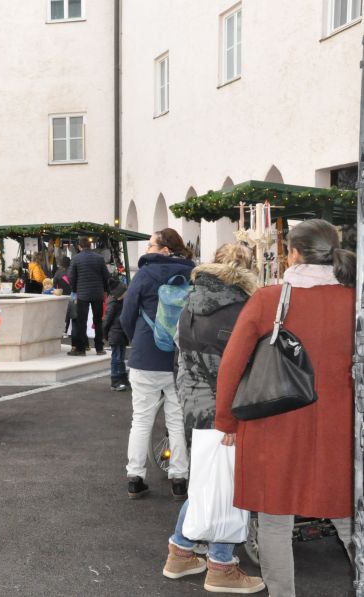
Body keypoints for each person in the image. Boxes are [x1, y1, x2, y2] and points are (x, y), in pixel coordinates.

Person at [215, 220, 356, 596]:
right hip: (339, 427)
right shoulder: (354, 301)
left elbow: (232, 364)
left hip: (273, 422)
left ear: (293, 254)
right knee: (348, 517)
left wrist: (226, 421)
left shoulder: (269, 299)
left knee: (275, 520)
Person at [162, 243, 264, 594]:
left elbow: (181, 355)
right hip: (225, 409)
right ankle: (221, 565)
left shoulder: (192, 300)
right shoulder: (241, 308)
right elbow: (238, 368)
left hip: (194, 403)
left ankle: (181, 552)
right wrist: (232, 417)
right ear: (246, 270)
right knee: (227, 486)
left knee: (209, 481)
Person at [120, 228, 194, 500]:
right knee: (177, 420)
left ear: (165, 249)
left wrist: (138, 339)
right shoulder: (192, 274)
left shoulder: (145, 274)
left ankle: (135, 477)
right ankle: (179, 478)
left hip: (145, 356)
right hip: (178, 358)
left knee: (141, 419)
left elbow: (127, 315)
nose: (147, 249)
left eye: (151, 245)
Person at [67, 239, 109, 356]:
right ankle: (99, 348)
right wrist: (105, 290)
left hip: (82, 294)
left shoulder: (76, 259)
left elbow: (71, 277)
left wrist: (74, 290)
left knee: (82, 321)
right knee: (98, 321)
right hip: (97, 294)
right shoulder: (99, 258)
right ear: (90, 246)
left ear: (79, 247)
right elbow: (106, 276)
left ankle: (81, 349)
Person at [102, 278, 129, 392]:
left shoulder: (122, 302)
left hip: (121, 334)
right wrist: (105, 335)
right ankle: (115, 381)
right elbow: (106, 320)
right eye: (125, 291)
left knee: (121, 358)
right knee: (116, 358)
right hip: (115, 334)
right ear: (119, 293)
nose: (127, 293)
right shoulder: (113, 303)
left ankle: (123, 378)